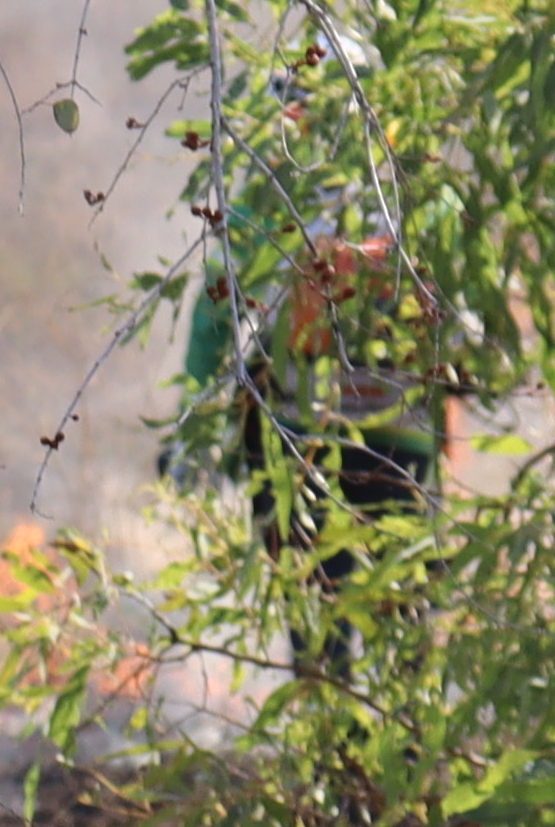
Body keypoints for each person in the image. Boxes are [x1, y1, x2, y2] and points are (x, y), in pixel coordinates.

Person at [171, 63, 452, 677]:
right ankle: (409, 754)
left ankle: (335, 752)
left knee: (316, 620)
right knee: (403, 615)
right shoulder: (417, 196)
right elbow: (467, 318)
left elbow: (217, 309)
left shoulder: (274, 196)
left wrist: (191, 422)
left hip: (302, 445)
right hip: (401, 447)